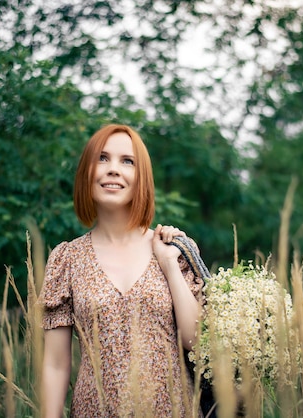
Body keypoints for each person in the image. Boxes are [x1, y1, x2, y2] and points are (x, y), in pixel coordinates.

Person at [37, 124, 204, 417]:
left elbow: (197, 341)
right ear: (86, 173)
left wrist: (168, 264)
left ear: (142, 178)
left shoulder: (173, 248)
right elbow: (55, 364)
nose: (113, 169)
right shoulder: (67, 259)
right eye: (102, 158)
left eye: (127, 161)